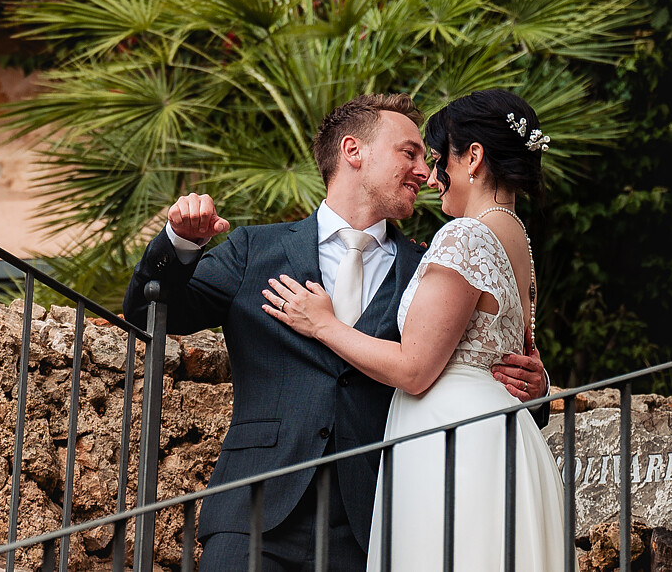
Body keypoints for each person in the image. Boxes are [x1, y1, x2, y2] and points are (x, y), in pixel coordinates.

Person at [124, 93, 550, 572]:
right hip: (254, 514)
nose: (423, 172)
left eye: (426, 157)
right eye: (408, 153)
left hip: (370, 523)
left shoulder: (430, 266)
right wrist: (180, 242)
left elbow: (468, 370)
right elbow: (147, 313)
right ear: (353, 152)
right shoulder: (253, 250)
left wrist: (537, 385)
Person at [263, 89, 566, 572]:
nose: (431, 177)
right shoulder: (518, 239)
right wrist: (542, 385)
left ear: (473, 157)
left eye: (439, 157)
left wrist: (323, 325)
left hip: (454, 440)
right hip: (499, 433)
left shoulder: (465, 234)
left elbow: (414, 368)